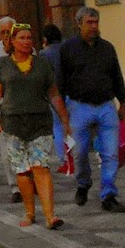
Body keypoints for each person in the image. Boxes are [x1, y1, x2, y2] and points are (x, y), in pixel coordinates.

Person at [0, 22, 72, 230]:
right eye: (21, 38)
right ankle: (29, 212)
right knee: (23, 171)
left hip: (40, 123)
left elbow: (53, 94)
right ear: (12, 41)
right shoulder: (3, 64)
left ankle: (50, 215)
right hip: (13, 124)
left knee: (41, 167)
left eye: (29, 38)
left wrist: (64, 119)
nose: (26, 42)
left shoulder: (42, 64)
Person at [58, 7, 125, 212]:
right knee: (80, 152)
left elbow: (116, 75)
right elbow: (60, 81)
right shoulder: (68, 49)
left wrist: (123, 101)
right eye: (89, 22)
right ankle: (83, 183)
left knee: (110, 153)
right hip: (79, 106)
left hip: (106, 105)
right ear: (79, 24)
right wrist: (62, 112)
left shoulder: (107, 48)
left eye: (96, 22)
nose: (94, 26)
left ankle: (108, 194)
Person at [40, 24, 71, 171]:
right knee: (73, 126)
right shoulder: (68, 49)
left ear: (46, 38)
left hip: (55, 95)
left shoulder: (44, 54)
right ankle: (76, 156)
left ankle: (64, 159)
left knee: (58, 128)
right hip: (72, 93)